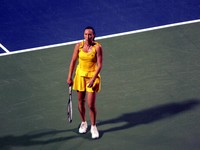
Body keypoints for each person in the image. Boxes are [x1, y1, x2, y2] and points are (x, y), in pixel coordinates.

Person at [67, 26, 103, 139]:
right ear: (84, 35)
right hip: (80, 76)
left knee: (91, 104)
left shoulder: (98, 47)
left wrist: (93, 79)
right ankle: (83, 122)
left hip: (92, 76)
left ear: (94, 35)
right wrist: (69, 77)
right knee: (80, 101)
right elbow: (73, 61)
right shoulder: (78, 46)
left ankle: (93, 126)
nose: (88, 36)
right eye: (86, 34)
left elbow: (100, 65)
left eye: (90, 34)